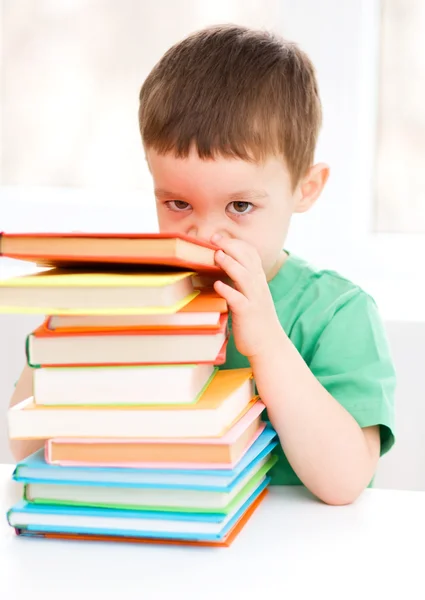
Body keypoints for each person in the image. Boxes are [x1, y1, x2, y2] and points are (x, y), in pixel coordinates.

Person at [10, 25, 396, 506]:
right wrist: (71, 326)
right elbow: (23, 451)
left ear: (306, 188)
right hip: (151, 544)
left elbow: (344, 483)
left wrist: (268, 346)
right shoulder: (140, 303)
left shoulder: (338, 314)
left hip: (289, 565)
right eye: (177, 203)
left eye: (239, 207)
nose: (206, 234)